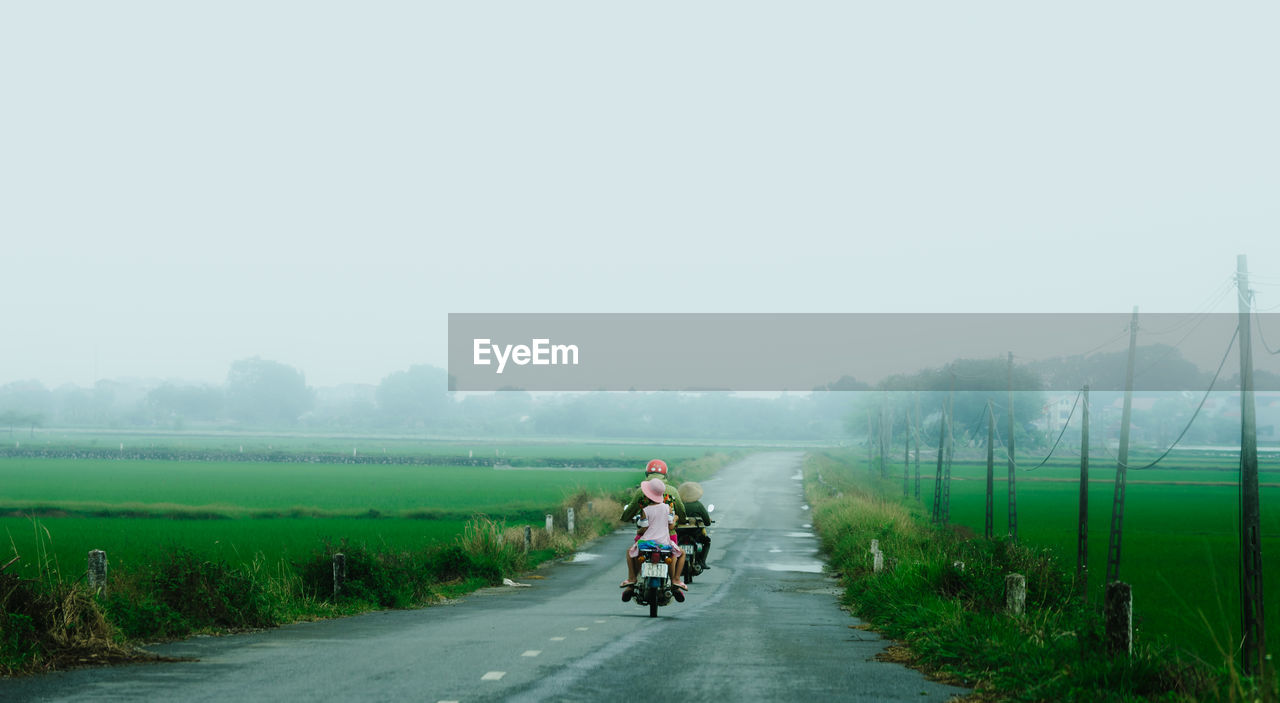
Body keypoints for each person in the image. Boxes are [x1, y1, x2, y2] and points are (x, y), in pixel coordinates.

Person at [620, 477, 688, 594]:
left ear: (648, 495)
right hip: (664, 543)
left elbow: (644, 528)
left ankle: (632, 578)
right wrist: (676, 518)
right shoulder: (668, 508)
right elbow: (671, 527)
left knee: (629, 552)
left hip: (647, 543)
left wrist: (639, 531)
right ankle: (676, 579)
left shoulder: (645, 510)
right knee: (681, 554)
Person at [619, 459, 686, 523]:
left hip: (645, 531)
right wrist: (682, 520)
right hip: (669, 532)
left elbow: (631, 509)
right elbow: (680, 510)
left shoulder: (641, 491)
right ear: (666, 475)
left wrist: (625, 518)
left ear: (646, 474)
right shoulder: (672, 491)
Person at [678, 481, 713, 570]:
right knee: (707, 541)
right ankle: (702, 562)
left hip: (680, 533)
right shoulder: (698, 505)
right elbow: (707, 522)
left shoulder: (679, 504)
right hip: (695, 533)